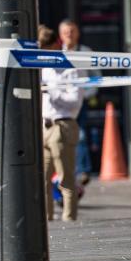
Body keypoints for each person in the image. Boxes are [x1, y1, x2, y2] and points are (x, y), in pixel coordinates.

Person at [39, 26, 83, 221]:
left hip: (63, 125)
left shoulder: (71, 68)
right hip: (45, 126)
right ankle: (46, 220)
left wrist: (51, 91)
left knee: (65, 179)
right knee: (42, 180)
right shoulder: (44, 67)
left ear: (54, 46)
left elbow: (74, 101)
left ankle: (69, 220)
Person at [58, 19, 96, 187]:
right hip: (62, 103)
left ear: (78, 33)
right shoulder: (57, 52)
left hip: (81, 102)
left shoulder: (86, 51)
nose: (69, 35)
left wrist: (87, 94)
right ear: (60, 35)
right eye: (66, 32)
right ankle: (67, 172)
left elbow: (96, 76)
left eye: (72, 31)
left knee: (80, 136)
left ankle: (83, 171)